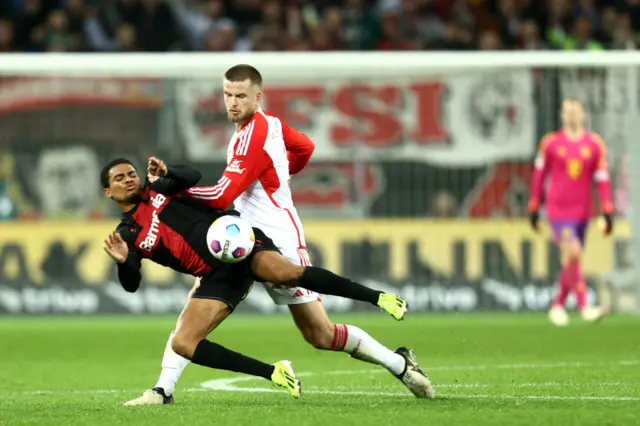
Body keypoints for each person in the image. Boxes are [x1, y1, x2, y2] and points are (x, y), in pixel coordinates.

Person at [124, 64, 434, 407]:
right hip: (240, 240)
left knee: (319, 333)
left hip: (278, 238)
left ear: (259, 96)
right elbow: (306, 148)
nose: (232, 103)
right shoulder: (267, 125)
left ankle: (400, 363)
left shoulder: (253, 135)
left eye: (241, 96)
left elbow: (221, 196)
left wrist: (174, 193)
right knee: (192, 315)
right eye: (227, 94)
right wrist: (280, 171)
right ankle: (162, 390)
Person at [101, 157, 410, 403]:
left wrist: (169, 171)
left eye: (131, 173)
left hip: (240, 245)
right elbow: (131, 283)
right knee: (183, 342)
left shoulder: (159, 189)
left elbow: (193, 176)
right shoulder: (128, 234)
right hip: (216, 275)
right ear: (108, 192)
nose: (129, 179)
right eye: (120, 178)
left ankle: (380, 298)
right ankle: (274, 372)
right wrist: (122, 262)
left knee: (288, 273)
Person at [528, 98, 612, 326]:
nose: (572, 115)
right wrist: (534, 205)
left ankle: (557, 305)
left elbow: (602, 178)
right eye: (568, 111)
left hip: (583, 211)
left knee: (571, 259)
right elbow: (539, 175)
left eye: (576, 111)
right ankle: (585, 307)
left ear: (583, 114)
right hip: (558, 208)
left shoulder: (594, 144)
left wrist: (607, 209)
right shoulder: (551, 143)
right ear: (562, 115)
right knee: (573, 251)